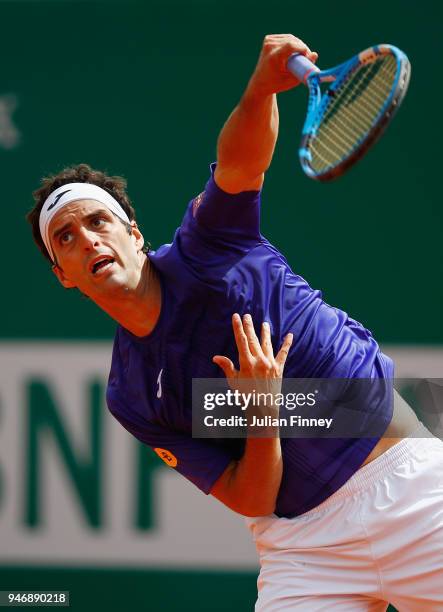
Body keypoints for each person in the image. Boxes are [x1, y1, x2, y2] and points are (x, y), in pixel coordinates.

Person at [27, 34, 443, 611]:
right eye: (65, 239)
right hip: (305, 552)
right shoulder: (130, 394)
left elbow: (241, 162)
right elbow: (250, 497)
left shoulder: (211, 243)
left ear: (135, 234)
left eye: (99, 220)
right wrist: (263, 412)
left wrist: (261, 89)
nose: (87, 239)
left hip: (413, 491)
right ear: (63, 275)